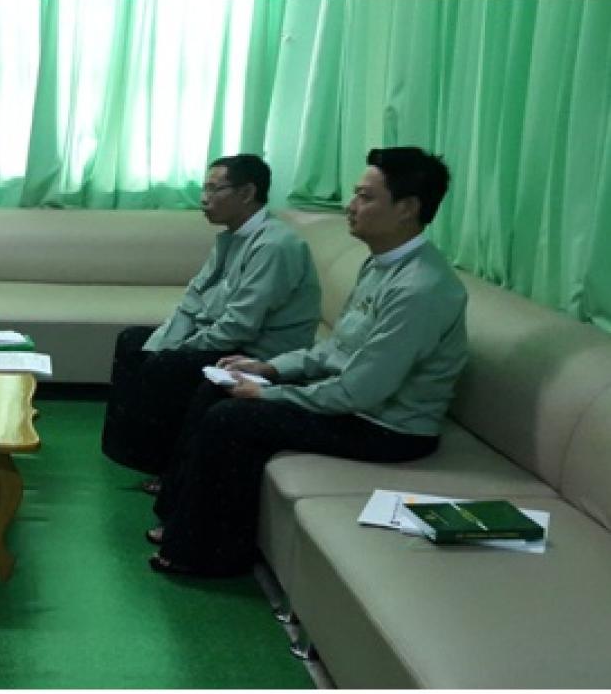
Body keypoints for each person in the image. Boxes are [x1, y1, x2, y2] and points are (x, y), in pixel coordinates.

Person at [149, 146, 469, 577]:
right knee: (218, 384)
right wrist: (271, 369)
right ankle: (178, 520)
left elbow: (360, 390)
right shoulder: (380, 266)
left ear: (407, 208)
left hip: (388, 428)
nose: (350, 206)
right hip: (356, 406)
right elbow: (336, 349)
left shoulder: (420, 289)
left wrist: (267, 395)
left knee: (232, 418)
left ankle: (207, 554)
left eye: (365, 197)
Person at [100, 154, 321, 494]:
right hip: (229, 341)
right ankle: (141, 455)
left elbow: (239, 326)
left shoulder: (275, 246)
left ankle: (172, 471)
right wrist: (164, 342)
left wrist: (177, 351)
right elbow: (194, 300)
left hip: (259, 354)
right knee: (134, 342)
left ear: (247, 193)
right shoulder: (232, 237)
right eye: (204, 189)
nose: (204, 199)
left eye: (214, 189)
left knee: (170, 366)